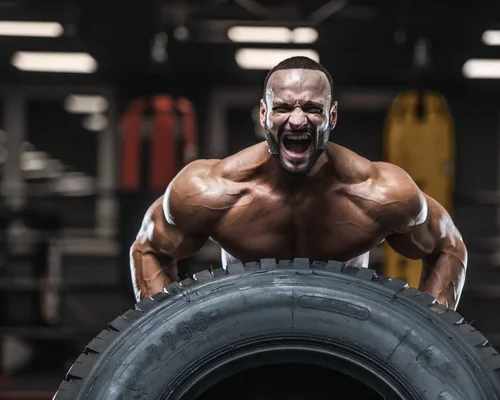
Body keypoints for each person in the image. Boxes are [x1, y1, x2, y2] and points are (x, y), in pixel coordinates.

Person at [130, 56, 467, 310]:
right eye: (282, 108)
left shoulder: (379, 191)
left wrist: (431, 343)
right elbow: (148, 248)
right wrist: (163, 342)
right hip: (245, 323)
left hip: (344, 324)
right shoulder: (211, 189)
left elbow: (447, 247)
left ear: (331, 116)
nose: (297, 119)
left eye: (312, 108)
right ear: (263, 114)